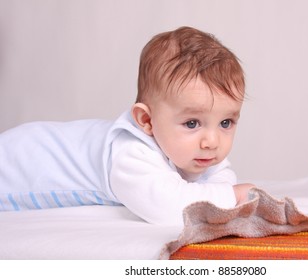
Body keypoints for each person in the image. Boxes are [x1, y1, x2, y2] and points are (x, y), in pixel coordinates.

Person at [0, 26, 255, 225]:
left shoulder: (198, 152)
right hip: (16, 161)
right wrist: (232, 197)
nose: (212, 141)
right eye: (192, 123)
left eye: (225, 122)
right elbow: (169, 208)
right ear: (146, 121)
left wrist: (227, 192)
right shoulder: (131, 152)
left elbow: (220, 178)